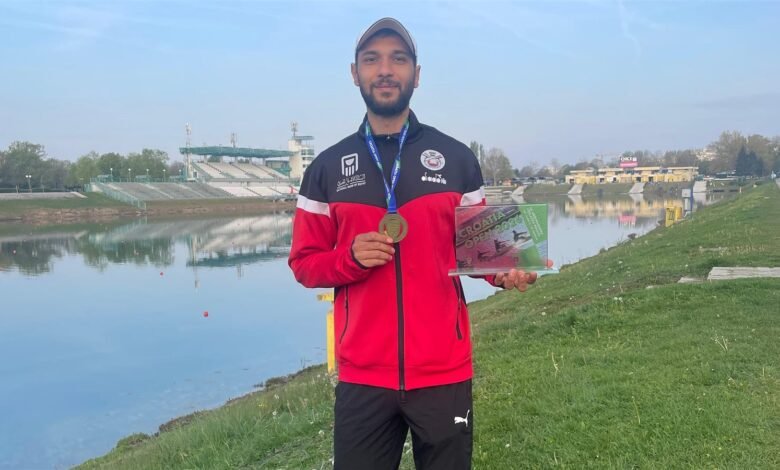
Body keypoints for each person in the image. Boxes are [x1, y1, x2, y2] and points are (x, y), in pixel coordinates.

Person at [288, 17, 537, 470]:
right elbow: (304, 263)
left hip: (444, 371)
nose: (385, 70)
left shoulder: (457, 159)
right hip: (363, 377)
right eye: (372, 60)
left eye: (398, 59)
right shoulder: (327, 168)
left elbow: (486, 251)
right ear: (355, 73)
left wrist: (504, 273)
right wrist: (349, 258)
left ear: (416, 74)